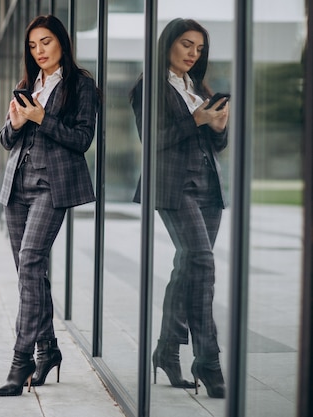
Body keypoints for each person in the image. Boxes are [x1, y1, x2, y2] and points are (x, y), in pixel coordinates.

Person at [0, 15, 99, 397]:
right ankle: (48, 348)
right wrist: (19, 120)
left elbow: (82, 138)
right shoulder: (27, 85)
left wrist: (42, 116)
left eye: (47, 43)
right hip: (17, 187)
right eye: (34, 45)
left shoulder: (81, 85)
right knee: (29, 271)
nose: (39, 51)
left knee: (32, 263)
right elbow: (6, 139)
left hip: (51, 188)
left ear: (63, 43)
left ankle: (20, 360)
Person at [129, 18, 229, 398]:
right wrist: (196, 120)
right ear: (168, 45)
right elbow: (152, 139)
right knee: (201, 262)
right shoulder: (148, 87)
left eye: (199, 49)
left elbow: (215, 145)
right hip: (173, 186)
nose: (193, 53)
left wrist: (218, 126)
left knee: (187, 267)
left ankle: (167, 352)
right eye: (186, 44)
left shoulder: (197, 89)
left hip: (208, 187)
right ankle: (208, 359)